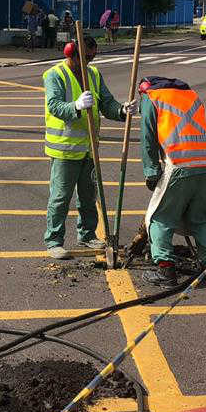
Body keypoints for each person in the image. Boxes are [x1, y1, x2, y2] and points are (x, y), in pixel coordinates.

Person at [43, 35, 132, 259]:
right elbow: (54, 106)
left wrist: (121, 110)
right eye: (85, 57)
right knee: (60, 198)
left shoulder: (93, 74)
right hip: (64, 149)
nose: (89, 62)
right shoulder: (55, 75)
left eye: (92, 57)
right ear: (70, 54)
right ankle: (54, 241)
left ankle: (87, 234)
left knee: (88, 196)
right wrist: (76, 106)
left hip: (89, 148)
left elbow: (106, 102)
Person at [138, 75, 206, 286]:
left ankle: (165, 270)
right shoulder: (190, 95)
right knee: (201, 219)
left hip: (178, 164)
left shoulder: (151, 97)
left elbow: (148, 138)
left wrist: (151, 172)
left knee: (159, 218)